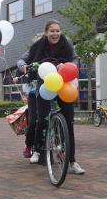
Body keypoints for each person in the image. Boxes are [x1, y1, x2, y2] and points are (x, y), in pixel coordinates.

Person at [20, 19, 85, 174]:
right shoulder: (38, 45)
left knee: (68, 123)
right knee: (41, 119)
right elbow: (27, 59)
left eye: (58, 31)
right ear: (46, 32)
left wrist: (72, 66)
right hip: (45, 84)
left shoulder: (66, 43)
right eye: (52, 31)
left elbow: (75, 58)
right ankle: (36, 150)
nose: (55, 34)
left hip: (64, 83)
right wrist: (23, 65)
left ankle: (73, 161)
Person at [15, 33, 43, 158]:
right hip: (34, 90)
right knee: (34, 121)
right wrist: (22, 68)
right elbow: (21, 62)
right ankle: (29, 145)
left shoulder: (51, 52)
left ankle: (61, 149)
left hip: (52, 89)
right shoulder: (31, 53)